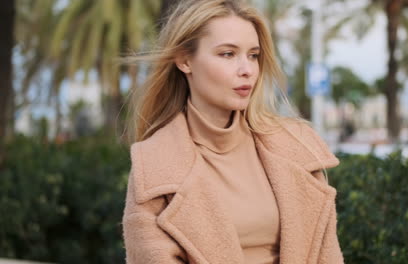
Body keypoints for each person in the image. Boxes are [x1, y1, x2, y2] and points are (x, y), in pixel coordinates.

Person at [122, 0, 343, 263]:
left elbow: (326, 256)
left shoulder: (298, 147)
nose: (247, 70)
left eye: (253, 55)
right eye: (227, 54)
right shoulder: (155, 165)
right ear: (184, 60)